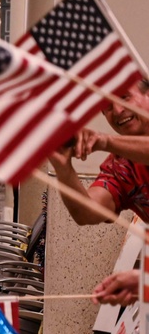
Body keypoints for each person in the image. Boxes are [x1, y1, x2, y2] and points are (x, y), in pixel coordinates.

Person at [48, 79, 149, 225]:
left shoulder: (109, 143)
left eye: (124, 97)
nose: (117, 110)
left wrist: (105, 141)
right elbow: (86, 214)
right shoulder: (121, 166)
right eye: (107, 106)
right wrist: (63, 168)